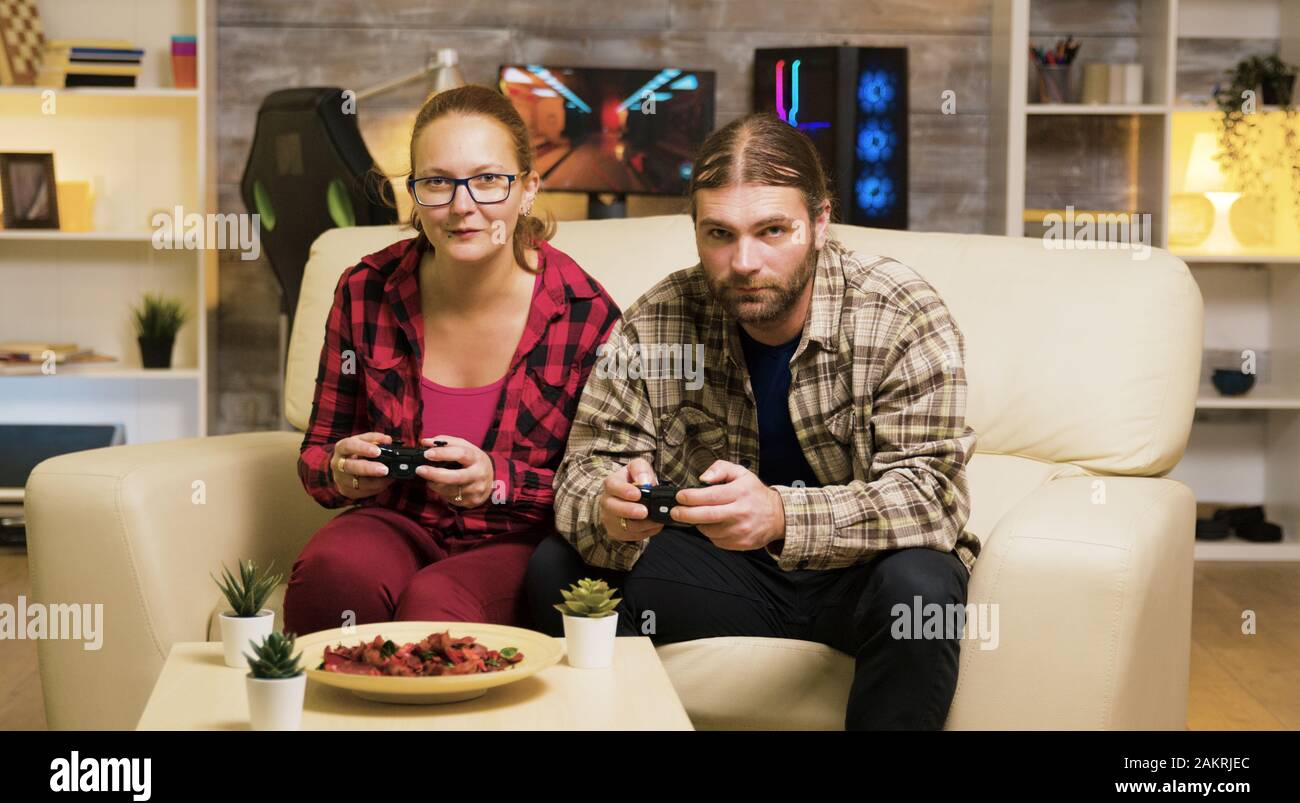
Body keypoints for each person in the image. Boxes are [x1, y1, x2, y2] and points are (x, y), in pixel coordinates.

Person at [526, 113, 981, 730]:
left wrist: (782, 515)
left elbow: (933, 496)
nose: (744, 261)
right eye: (719, 234)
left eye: (772, 230)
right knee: (557, 568)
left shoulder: (899, 311)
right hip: (729, 578)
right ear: (695, 231)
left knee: (922, 587)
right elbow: (583, 469)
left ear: (821, 222)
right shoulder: (661, 318)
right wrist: (609, 510)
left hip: (861, 578)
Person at [284, 85, 619, 636]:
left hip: (518, 538)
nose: (463, 206)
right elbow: (317, 454)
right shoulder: (364, 290)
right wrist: (341, 472)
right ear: (414, 193)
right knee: (334, 572)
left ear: (528, 189)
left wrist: (498, 481)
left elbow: (600, 488)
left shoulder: (586, 314)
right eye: (437, 182)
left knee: (436, 603)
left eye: (489, 179)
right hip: (398, 519)